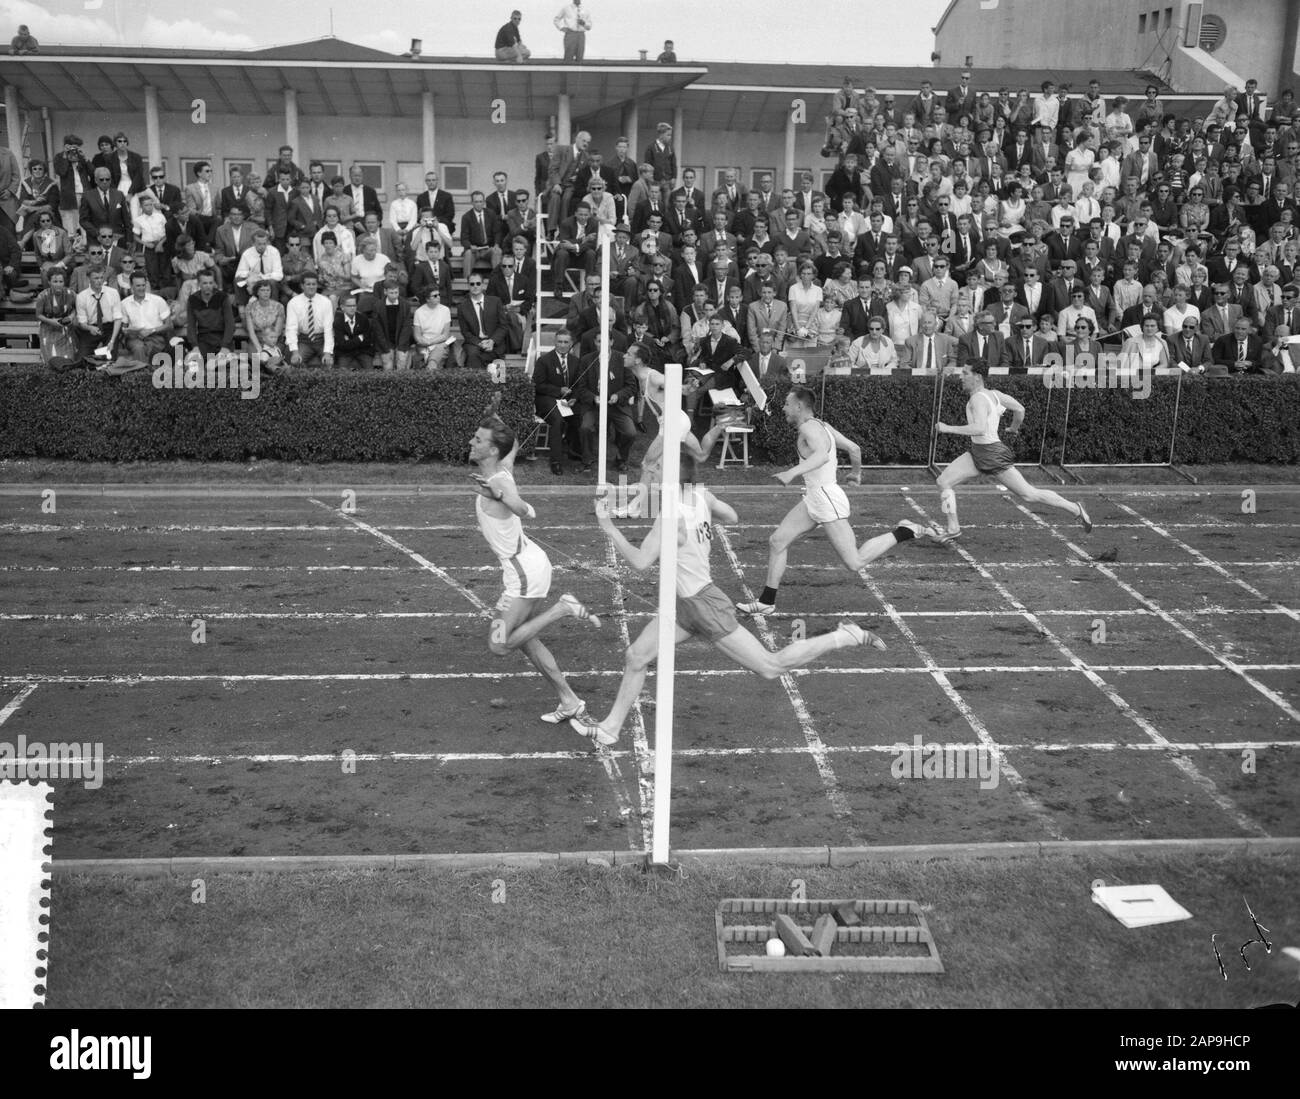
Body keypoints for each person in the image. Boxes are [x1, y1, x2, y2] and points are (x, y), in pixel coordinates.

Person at [570, 450, 887, 748]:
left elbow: (640, 562)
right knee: (636, 656)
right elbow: (731, 516)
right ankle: (611, 727)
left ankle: (844, 636)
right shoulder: (699, 495)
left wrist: (608, 526)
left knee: (770, 666)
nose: (649, 470)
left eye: (656, 468)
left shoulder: (670, 517)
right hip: (684, 605)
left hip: (704, 606)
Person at [736, 387, 943, 617]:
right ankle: (767, 602)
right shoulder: (823, 425)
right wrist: (856, 474)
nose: (783, 408)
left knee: (854, 562)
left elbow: (821, 456)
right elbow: (854, 448)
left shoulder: (807, 428)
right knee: (777, 541)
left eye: (786, 403)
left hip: (826, 501)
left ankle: (904, 531)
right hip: (816, 498)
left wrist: (791, 473)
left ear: (799, 406)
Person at [469, 417, 601, 727]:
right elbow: (512, 446)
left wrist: (505, 499)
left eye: (478, 439)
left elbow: (520, 507)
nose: (471, 443)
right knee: (525, 640)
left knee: (499, 643)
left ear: (490, 450)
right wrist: (498, 420)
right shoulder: (500, 470)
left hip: (524, 574)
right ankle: (569, 700)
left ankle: (563, 608)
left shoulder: (499, 483)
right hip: (526, 567)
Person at [934, 362, 1092, 541]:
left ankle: (1075, 508)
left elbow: (979, 428)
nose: (960, 377)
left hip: (992, 454)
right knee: (943, 481)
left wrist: (948, 428)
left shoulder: (977, 399)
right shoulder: (995, 394)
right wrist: (1013, 428)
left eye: (965, 373)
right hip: (979, 451)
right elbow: (1020, 409)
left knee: (1029, 494)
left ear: (977, 376)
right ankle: (953, 528)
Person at [114, 271, 173, 372]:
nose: (141, 288)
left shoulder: (158, 300)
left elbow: (169, 325)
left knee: (150, 347)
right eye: (138, 286)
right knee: (138, 347)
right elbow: (123, 327)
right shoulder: (124, 303)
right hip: (134, 338)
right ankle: (143, 376)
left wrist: (151, 331)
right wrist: (127, 331)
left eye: (143, 285)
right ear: (131, 286)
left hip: (155, 336)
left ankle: (143, 375)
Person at [73, 264, 122, 362]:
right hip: (90, 329)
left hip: (110, 329)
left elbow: (118, 318)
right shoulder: (81, 297)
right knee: (81, 359)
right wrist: (90, 328)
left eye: (101, 278)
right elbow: (82, 323)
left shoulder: (113, 293)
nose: (99, 281)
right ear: (88, 279)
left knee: (109, 358)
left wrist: (112, 341)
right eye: (96, 278)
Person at [457, 274, 507, 369]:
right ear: (468, 286)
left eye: (478, 283)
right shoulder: (462, 307)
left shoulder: (496, 301)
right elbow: (465, 332)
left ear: (483, 285)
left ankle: (496, 380)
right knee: (473, 354)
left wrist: (492, 341)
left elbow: (503, 326)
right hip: (475, 344)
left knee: (498, 374)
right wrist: (480, 343)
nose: (475, 286)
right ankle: (478, 381)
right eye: (472, 284)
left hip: (495, 343)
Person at [284, 273, 335, 367]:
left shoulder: (326, 302)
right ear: (302, 286)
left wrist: (327, 352)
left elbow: (329, 329)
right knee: (295, 362)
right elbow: (291, 329)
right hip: (303, 340)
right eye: (308, 284)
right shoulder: (293, 303)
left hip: (321, 340)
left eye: (314, 284)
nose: (311, 287)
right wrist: (295, 352)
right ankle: (253, 380)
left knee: (328, 363)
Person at [245, 278, 286, 371]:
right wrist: (259, 347)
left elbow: (277, 331)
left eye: (268, 290)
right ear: (257, 292)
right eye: (262, 290)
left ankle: (274, 382)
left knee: (273, 360)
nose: (266, 292)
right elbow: (251, 332)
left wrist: (268, 348)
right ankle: (257, 383)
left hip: (274, 339)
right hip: (257, 340)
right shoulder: (250, 307)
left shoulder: (279, 306)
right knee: (255, 361)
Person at [333, 293, 378, 370]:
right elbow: (342, 344)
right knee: (342, 372)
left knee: (370, 371)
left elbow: (367, 340)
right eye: (349, 306)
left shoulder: (363, 319)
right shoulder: (338, 322)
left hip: (363, 351)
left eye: (354, 305)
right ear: (342, 307)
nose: (352, 308)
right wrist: (359, 338)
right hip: (345, 353)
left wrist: (349, 341)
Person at [411, 286, 453, 368]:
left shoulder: (445, 310)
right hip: (423, 344)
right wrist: (426, 342)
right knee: (435, 362)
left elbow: (445, 335)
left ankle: (430, 367)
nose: (438, 297)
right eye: (435, 296)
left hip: (440, 343)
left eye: (439, 294)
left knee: (434, 361)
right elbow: (417, 336)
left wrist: (431, 342)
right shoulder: (419, 312)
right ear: (427, 299)